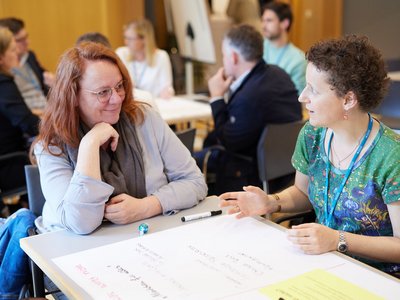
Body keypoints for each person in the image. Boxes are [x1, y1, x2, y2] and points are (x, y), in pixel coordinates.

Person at [220, 35, 400, 277]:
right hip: (321, 263)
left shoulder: (391, 155)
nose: (301, 97)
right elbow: (303, 192)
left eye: (313, 90)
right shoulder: (313, 134)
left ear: (348, 99)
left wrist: (337, 240)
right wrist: (272, 202)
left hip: (376, 277)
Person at [33, 42, 207, 235]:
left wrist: (146, 206)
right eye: (103, 92)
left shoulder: (143, 119)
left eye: (119, 86)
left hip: (143, 239)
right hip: (73, 251)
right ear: (72, 96)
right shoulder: (51, 146)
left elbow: (195, 182)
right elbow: (80, 223)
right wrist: (89, 145)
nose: (116, 99)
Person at [194, 24, 301, 195]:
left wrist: (216, 98)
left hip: (250, 176)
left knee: (190, 163)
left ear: (234, 57)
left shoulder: (248, 97)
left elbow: (228, 142)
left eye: (224, 56)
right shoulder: (279, 74)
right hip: (286, 171)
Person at [0, 27, 39, 214]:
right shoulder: (3, 83)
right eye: (13, 50)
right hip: (10, 164)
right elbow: (28, 123)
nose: (18, 54)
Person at [0, 17, 54, 110]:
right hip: (31, 115)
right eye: (19, 40)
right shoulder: (4, 74)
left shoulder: (29, 56)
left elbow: (45, 80)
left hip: (48, 108)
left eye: (26, 37)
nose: (28, 42)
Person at [116, 19, 174, 99]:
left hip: (153, 104)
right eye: (125, 38)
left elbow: (166, 87)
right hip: (130, 105)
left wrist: (167, 92)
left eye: (130, 39)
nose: (126, 42)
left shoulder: (161, 56)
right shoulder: (121, 53)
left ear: (144, 39)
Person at [261, 1, 306, 95]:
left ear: (284, 23)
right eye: (263, 20)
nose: (263, 26)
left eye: (269, 20)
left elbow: (297, 98)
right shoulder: (256, 48)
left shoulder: (298, 60)